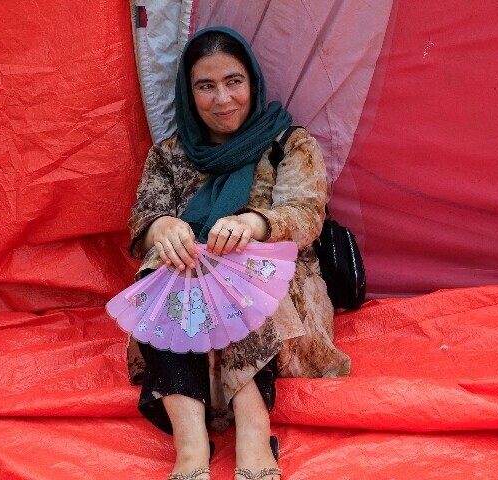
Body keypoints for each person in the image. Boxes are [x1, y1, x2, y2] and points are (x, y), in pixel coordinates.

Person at [125, 26, 350, 480]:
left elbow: (307, 214)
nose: (223, 99)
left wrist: (254, 224)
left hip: (281, 306)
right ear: (189, 94)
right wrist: (161, 227)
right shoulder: (169, 155)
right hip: (187, 305)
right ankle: (190, 447)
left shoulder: (287, 144)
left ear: (252, 83)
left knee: (233, 266)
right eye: (205, 86)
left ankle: (252, 425)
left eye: (233, 82)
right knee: (179, 264)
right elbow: (142, 220)